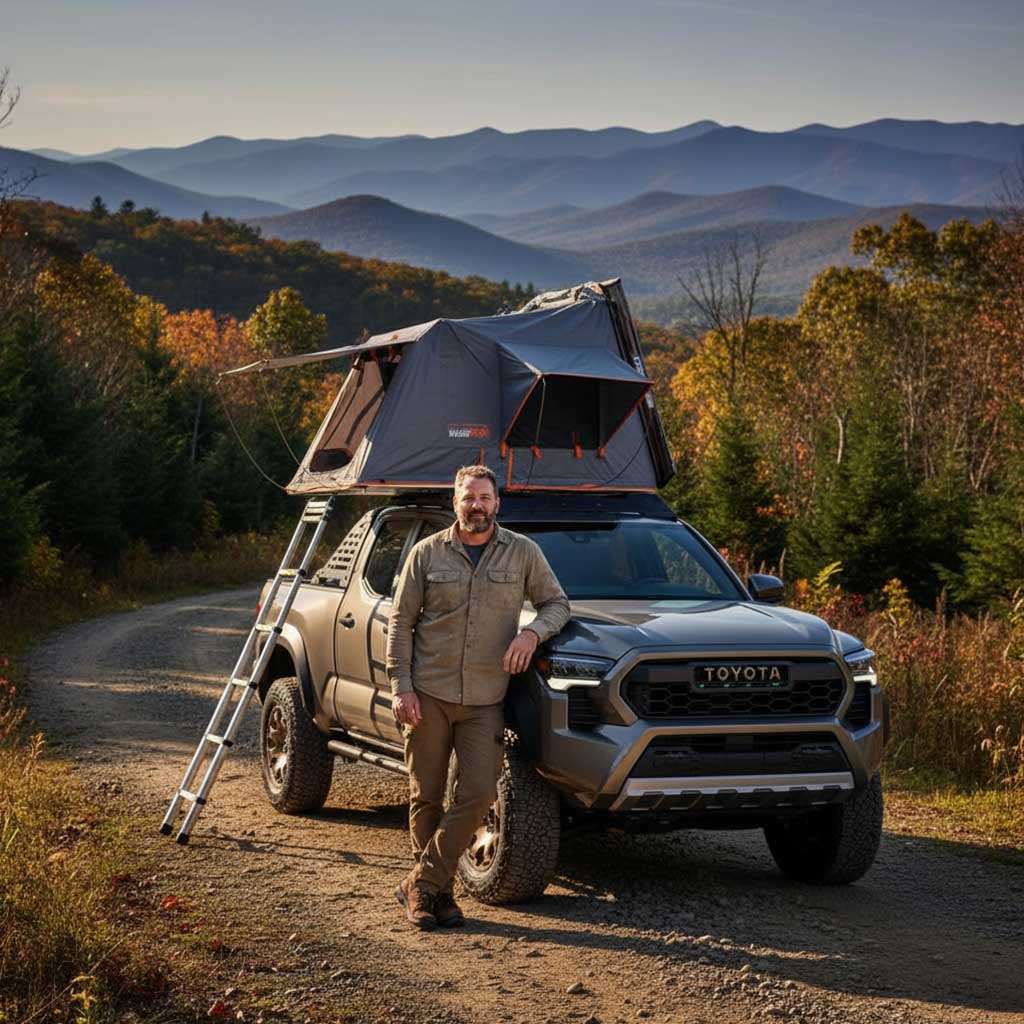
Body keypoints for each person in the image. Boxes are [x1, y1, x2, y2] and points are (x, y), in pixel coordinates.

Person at [385, 465, 570, 930]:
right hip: (427, 694)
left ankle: (419, 884)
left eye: (485, 498)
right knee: (425, 795)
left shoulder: (523, 553)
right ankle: (435, 895)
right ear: (455, 502)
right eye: (469, 497)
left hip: (486, 699)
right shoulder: (426, 554)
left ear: (497, 503)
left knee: (479, 793)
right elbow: (400, 623)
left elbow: (557, 604)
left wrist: (531, 634)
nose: (477, 506)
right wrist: (401, 687)